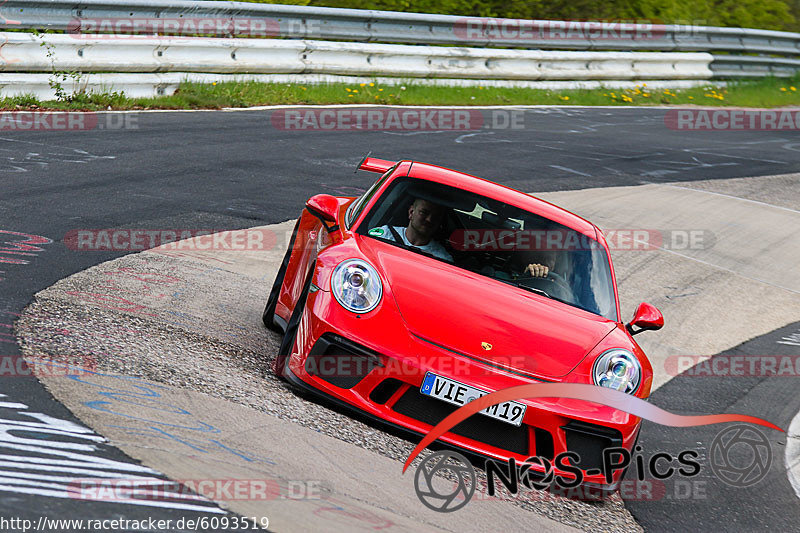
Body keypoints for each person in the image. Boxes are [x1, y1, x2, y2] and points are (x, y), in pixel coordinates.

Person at [369, 198, 453, 261]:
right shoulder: (384, 235)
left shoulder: (442, 259)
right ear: (411, 212)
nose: (429, 219)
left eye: (436, 217)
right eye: (424, 213)